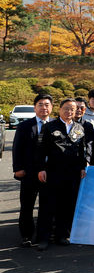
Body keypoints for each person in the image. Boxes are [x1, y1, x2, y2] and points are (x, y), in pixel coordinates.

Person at [35, 98, 91, 251]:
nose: (70, 112)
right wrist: (41, 169)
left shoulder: (79, 128)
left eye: (73, 109)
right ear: (59, 109)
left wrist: (82, 166)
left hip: (72, 173)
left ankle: (62, 235)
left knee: (67, 205)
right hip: (52, 171)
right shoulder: (49, 127)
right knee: (47, 205)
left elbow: (83, 150)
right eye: (66, 108)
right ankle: (43, 238)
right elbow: (41, 149)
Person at [12, 94, 53, 247]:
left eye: (47, 104)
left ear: (52, 107)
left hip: (49, 173)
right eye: (41, 104)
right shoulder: (25, 126)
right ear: (35, 107)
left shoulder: (55, 125)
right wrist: (18, 168)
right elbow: (17, 148)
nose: (44, 107)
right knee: (27, 205)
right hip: (28, 172)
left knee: (47, 205)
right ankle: (26, 235)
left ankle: (44, 235)